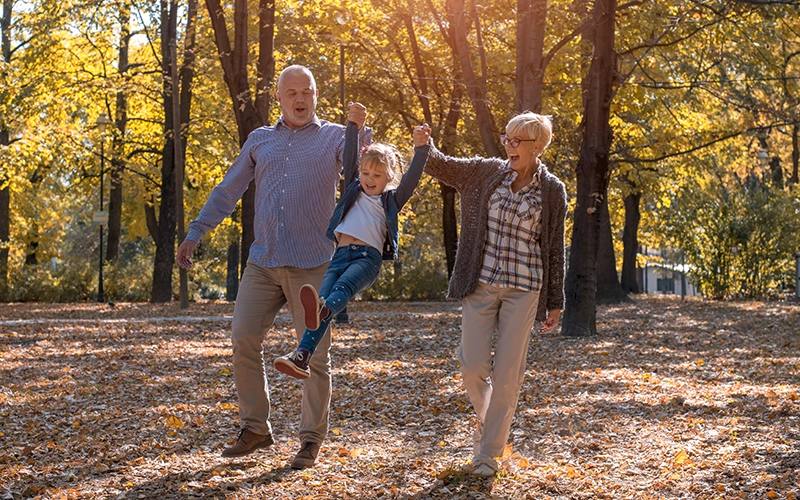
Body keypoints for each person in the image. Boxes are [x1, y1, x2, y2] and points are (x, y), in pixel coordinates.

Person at [176, 65, 372, 470]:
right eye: (292, 93)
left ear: (316, 95)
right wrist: (196, 232)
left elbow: (362, 172)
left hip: (314, 264)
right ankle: (255, 428)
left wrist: (359, 130)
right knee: (243, 338)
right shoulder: (260, 140)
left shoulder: (336, 136)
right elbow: (228, 189)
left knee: (314, 354)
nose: (300, 99)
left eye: (307, 92)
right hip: (263, 262)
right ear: (279, 98)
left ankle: (311, 439)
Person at [423, 112, 567, 477]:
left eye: (517, 141)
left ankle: (488, 454)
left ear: (537, 146)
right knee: (472, 364)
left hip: (525, 289)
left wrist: (555, 301)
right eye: (507, 139)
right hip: (482, 282)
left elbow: (554, 248)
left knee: (507, 375)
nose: (509, 146)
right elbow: (443, 166)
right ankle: (491, 425)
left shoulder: (552, 191)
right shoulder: (486, 172)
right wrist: (425, 146)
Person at [274, 122, 432, 379]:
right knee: (320, 307)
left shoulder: (391, 200)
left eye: (377, 175)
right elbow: (349, 156)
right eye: (365, 173)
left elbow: (412, 178)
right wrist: (353, 126)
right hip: (339, 256)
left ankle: (320, 320)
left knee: (341, 289)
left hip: (366, 258)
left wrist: (421, 148)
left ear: (389, 177)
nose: (369, 179)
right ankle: (301, 356)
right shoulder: (353, 190)